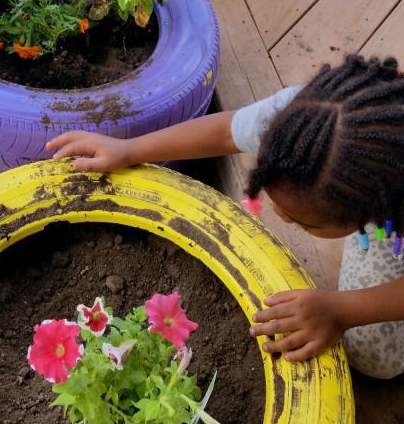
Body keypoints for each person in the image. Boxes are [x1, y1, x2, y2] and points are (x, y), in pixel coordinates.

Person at [48, 55, 404, 380]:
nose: (279, 214)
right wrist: (129, 149)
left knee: (373, 355)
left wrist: (342, 311)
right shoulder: (301, 121)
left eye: (303, 222)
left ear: (369, 209)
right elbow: (223, 131)